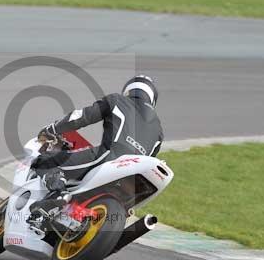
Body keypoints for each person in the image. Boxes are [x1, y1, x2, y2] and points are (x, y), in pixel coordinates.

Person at [29, 74, 163, 214]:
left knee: (43, 161)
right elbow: (149, 160)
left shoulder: (117, 100)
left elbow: (81, 117)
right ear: (152, 98)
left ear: (129, 91)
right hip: (133, 176)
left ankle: (59, 195)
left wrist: (52, 129)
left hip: (108, 159)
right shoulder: (159, 130)